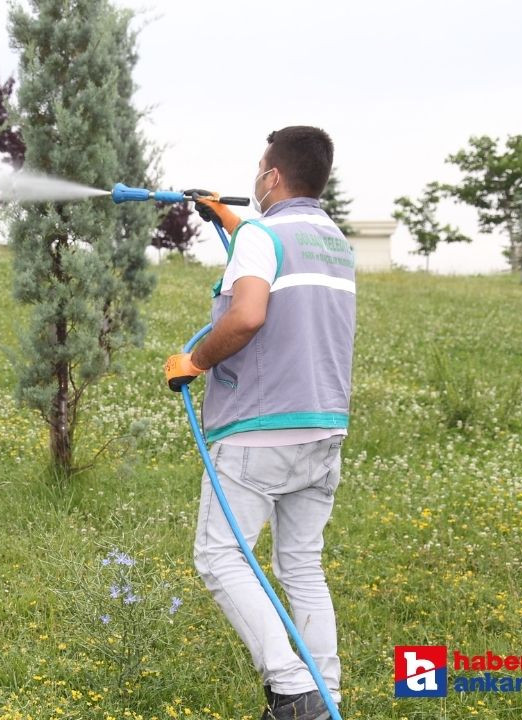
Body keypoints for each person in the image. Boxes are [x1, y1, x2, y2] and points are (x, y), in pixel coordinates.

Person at [164, 126, 356, 720]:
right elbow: (276, 272)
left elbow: (247, 315)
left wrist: (192, 361)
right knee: (301, 562)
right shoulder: (332, 240)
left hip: (259, 430)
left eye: (259, 168)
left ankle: (294, 690)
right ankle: (326, 695)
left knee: (220, 557)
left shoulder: (261, 234)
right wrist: (224, 217)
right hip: (323, 429)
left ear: (273, 176)